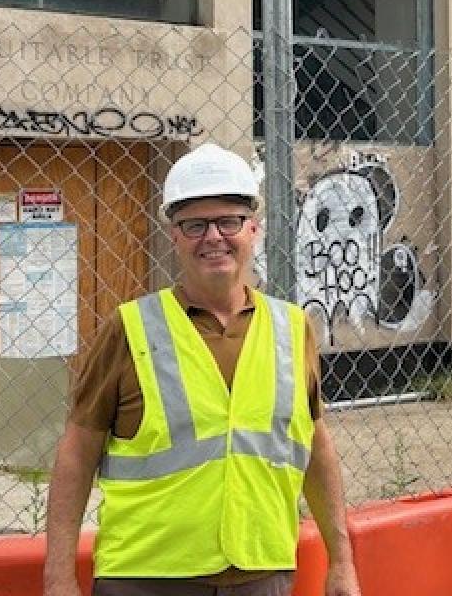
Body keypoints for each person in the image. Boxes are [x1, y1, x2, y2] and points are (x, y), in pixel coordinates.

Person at [44, 143, 361, 596]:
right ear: (174, 236)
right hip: (146, 576)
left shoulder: (292, 328)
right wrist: (57, 580)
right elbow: (77, 452)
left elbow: (316, 447)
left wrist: (342, 561)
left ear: (253, 228)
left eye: (228, 221)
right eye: (195, 225)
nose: (213, 237)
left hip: (263, 573)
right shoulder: (130, 329)